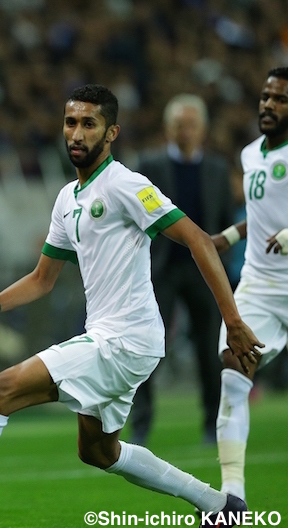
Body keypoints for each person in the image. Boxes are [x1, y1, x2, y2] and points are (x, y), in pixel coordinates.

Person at [0, 85, 262, 528]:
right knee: (99, 453)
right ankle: (217, 504)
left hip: (125, 339)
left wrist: (234, 321)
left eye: (89, 124)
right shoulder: (69, 199)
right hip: (117, 339)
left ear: (111, 133)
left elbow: (199, 240)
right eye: (71, 122)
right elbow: (42, 279)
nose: (77, 132)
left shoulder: (127, 185)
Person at [130, 94, 235, 446]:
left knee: (210, 349)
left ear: (202, 129)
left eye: (191, 125)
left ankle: (212, 423)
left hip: (203, 271)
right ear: (167, 128)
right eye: (178, 125)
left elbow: (222, 222)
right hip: (160, 271)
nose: (185, 131)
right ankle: (141, 424)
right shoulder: (148, 165)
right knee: (147, 348)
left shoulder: (218, 170)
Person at [211, 67, 288, 504]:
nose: (269, 106)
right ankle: (232, 494)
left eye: (280, 99)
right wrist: (231, 236)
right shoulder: (249, 155)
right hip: (260, 284)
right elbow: (263, 213)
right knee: (233, 371)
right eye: (265, 97)